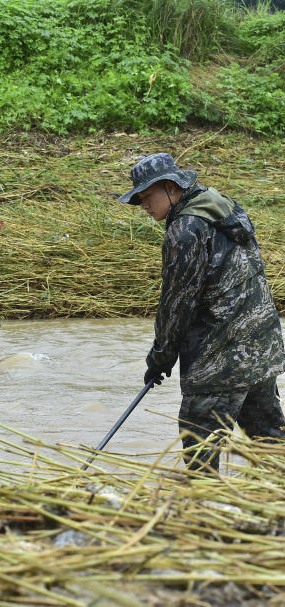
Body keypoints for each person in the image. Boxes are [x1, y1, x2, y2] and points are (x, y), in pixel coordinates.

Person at [120, 153, 285, 473]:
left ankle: (202, 516)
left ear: (170, 187)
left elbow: (177, 303)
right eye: (139, 199)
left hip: (220, 360)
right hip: (261, 350)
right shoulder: (222, 208)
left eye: (146, 196)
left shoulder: (185, 230)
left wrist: (160, 357)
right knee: (272, 444)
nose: (143, 206)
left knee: (200, 451)